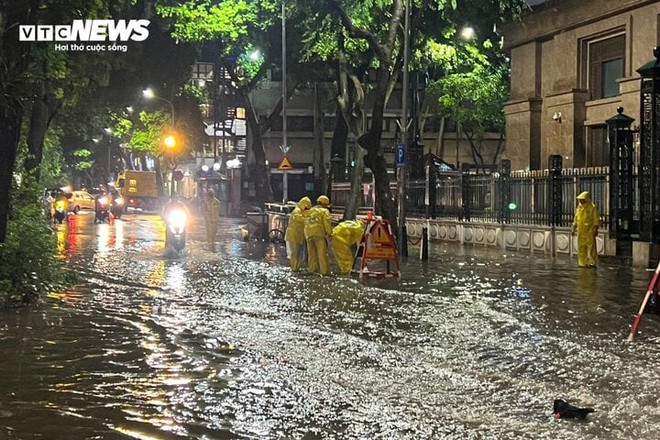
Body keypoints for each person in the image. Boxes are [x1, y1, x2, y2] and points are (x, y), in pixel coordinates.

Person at [304, 195, 333, 275]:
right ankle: (324, 272)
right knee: (322, 254)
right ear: (325, 204)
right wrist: (330, 233)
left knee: (311, 254)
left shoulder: (310, 211)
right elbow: (326, 223)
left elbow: (305, 222)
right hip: (319, 234)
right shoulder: (324, 211)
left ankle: (312, 270)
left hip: (309, 234)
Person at [571, 191, 600, 268]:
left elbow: (596, 219)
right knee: (581, 248)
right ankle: (582, 263)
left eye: (582, 199)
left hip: (589, 231)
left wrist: (595, 228)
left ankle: (592, 262)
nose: (580, 201)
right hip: (581, 231)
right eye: (580, 199)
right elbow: (576, 218)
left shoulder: (592, 207)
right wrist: (574, 228)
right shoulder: (579, 208)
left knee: (591, 248)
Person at [284, 196, 312, 271]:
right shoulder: (297, 211)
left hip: (298, 236)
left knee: (298, 253)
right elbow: (299, 218)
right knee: (294, 253)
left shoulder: (301, 211)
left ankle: (296, 268)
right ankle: (294, 268)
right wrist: (308, 218)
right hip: (293, 236)